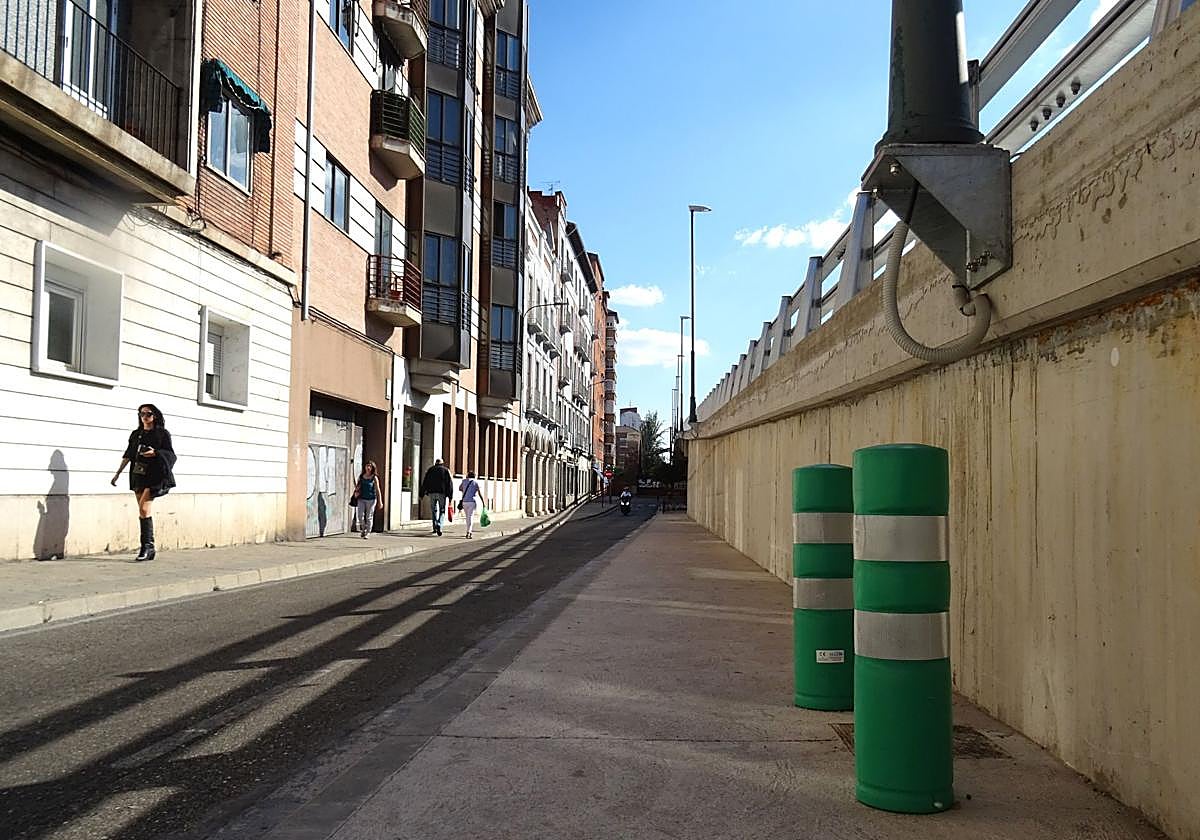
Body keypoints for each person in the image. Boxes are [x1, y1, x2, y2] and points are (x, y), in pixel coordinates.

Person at [111, 404, 176, 561]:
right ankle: (150, 548)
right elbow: (128, 454)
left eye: (148, 414)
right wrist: (118, 473)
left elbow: (170, 454)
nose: (144, 417)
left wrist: (155, 453)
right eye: (141, 414)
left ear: (155, 416)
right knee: (142, 511)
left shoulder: (162, 433)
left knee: (144, 508)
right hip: (138, 474)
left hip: (154, 474)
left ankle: (146, 547)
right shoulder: (136, 434)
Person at [419, 458, 454, 536]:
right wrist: (450, 496)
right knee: (442, 510)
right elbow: (449, 484)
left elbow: (425, 482)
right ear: (442, 463)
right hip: (442, 493)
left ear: (435, 463)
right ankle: (439, 524)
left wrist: (421, 494)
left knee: (433, 510)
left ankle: (435, 527)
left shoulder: (430, 470)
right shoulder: (445, 470)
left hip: (431, 493)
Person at [353, 461, 383, 539]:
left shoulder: (374, 477)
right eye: (367, 466)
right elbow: (358, 486)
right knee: (360, 515)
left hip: (371, 499)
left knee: (369, 516)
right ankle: (363, 529)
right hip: (361, 498)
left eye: (370, 466)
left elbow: (378, 490)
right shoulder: (361, 476)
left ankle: (368, 532)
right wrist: (356, 492)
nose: (368, 467)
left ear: (373, 468)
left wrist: (380, 501)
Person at [458, 471, 487, 539]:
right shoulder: (475, 482)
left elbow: (460, 488)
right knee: (470, 516)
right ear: (474, 476)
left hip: (464, 502)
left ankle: (468, 531)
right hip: (472, 502)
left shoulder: (464, 481)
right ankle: (469, 532)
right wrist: (483, 502)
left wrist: (465, 490)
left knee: (467, 517)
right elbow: (480, 493)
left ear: (468, 475)